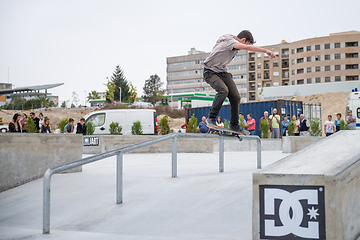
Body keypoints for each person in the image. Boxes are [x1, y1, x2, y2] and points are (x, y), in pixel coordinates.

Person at [203, 30, 276, 135]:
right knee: (223, 90)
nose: (244, 48)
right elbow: (246, 47)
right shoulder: (231, 42)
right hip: (210, 72)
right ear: (243, 40)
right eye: (246, 44)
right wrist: (265, 51)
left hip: (222, 72)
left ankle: (234, 125)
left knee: (236, 96)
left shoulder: (232, 43)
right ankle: (211, 118)